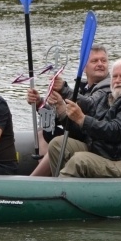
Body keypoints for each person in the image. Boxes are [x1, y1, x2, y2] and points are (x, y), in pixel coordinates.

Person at [47, 56, 121, 178]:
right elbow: (88, 121)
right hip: (104, 153)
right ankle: (66, 188)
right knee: (57, 144)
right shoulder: (108, 97)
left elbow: (115, 130)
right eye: (115, 76)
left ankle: (59, 193)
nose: (118, 80)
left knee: (80, 160)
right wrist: (62, 106)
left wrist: (82, 119)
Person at [26, 45, 111, 176]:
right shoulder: (83, 88)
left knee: (59, 143)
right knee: (44, 130)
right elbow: (55, 119)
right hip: (80, 133)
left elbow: (89, 105)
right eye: (95, 61)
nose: (100, 64)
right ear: (84, 67)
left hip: (95, 141)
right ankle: (45, 176)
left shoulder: (109, 88)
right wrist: (40, 103)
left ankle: (33, 181)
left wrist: (64, 91)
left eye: (103, 61)